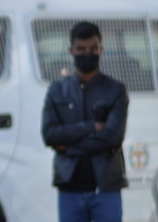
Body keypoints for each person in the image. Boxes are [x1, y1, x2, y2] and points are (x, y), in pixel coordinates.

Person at [42, 21, 129, 222]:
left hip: (106, 187)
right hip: (69, 188)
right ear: (71, 50)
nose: (87, 54)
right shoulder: (57, 90)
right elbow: (50, 135)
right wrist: (91, 127)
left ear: (101, 49)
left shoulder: (115, 90)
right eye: (81, 49)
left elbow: (112, 138)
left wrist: (68, 146)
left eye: (93, 48)